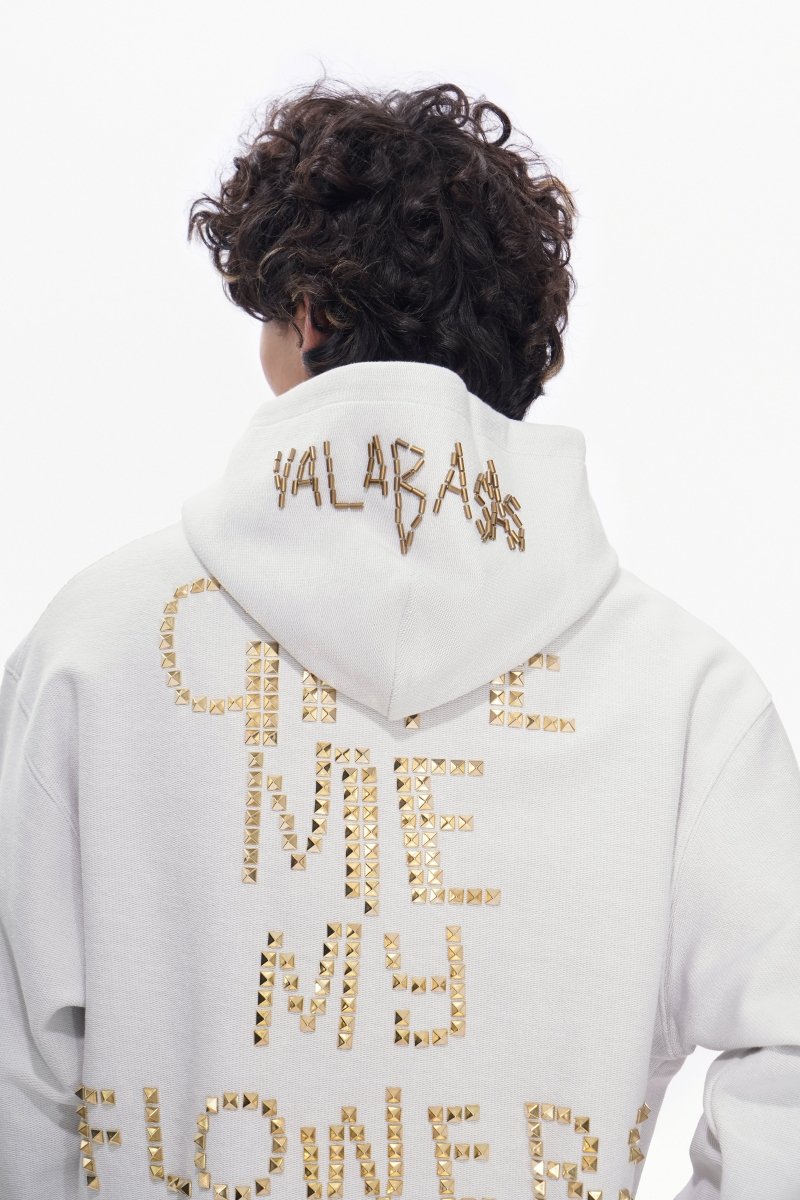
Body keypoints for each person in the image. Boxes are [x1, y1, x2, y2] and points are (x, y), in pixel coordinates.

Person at [0, 78, 798, 1200]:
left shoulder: (95, 649)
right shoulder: (685, 696)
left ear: (308, 317)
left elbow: (19, 1077)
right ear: (527, 355)